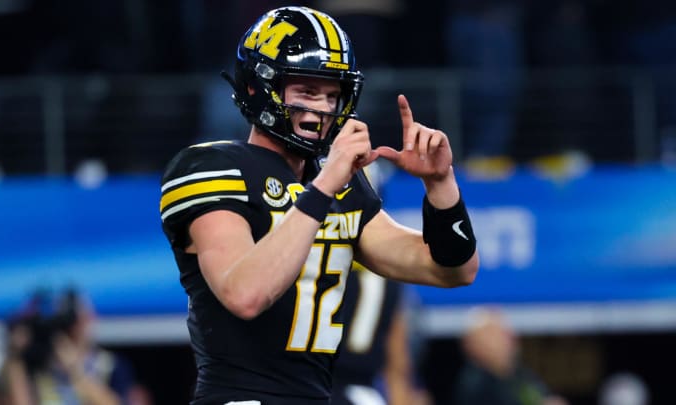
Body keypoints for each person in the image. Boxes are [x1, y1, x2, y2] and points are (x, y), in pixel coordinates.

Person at [159, 6, 479, 404]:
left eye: (332, 95)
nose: (323, 109)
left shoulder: (339, 186)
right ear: (260, 87)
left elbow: (453, 270)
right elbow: (245, 294)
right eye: (307, 92)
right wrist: (325, 184)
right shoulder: (210, 167)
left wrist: (439, 184)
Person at [0, 289, 146, 405]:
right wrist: (18, 355)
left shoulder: (109, 365)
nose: (72, 328)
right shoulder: (37, 367)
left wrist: (75, 372)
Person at [330, 261, 431, 405]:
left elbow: (397, 360)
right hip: (361, 391)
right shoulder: (389, 266)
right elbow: (397, 362)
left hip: (316, 381)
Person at [452, 307, 568, 405]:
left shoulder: (518, 373)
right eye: (493, 335)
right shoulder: (475, 385)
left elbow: (541, 397)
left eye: (505, 332)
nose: (507, 338)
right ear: (471, 345)